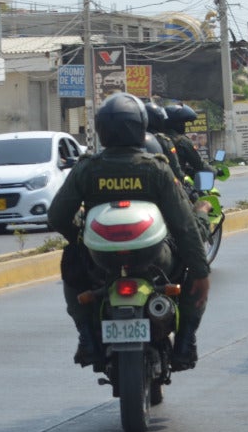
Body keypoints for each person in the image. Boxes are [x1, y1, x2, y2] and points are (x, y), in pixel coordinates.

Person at [49, 93, 211, 370]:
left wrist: (80, 237)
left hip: (100, 261)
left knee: (72, 266)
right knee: (191, 275)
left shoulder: (87, 168)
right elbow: (184, 226)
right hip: (156, 259)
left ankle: (87, 338)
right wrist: (201, 272)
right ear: (140, 127)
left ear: (101, 131)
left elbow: (58, 216)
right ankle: (185, 343)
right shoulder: (156, 169)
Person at [160, 103, 208, 181]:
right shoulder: (182, 140)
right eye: (183, 123)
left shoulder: (155, 138)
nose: (184, 126)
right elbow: (199, 164)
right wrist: (216, 171)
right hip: (176, 183)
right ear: (176, 123)